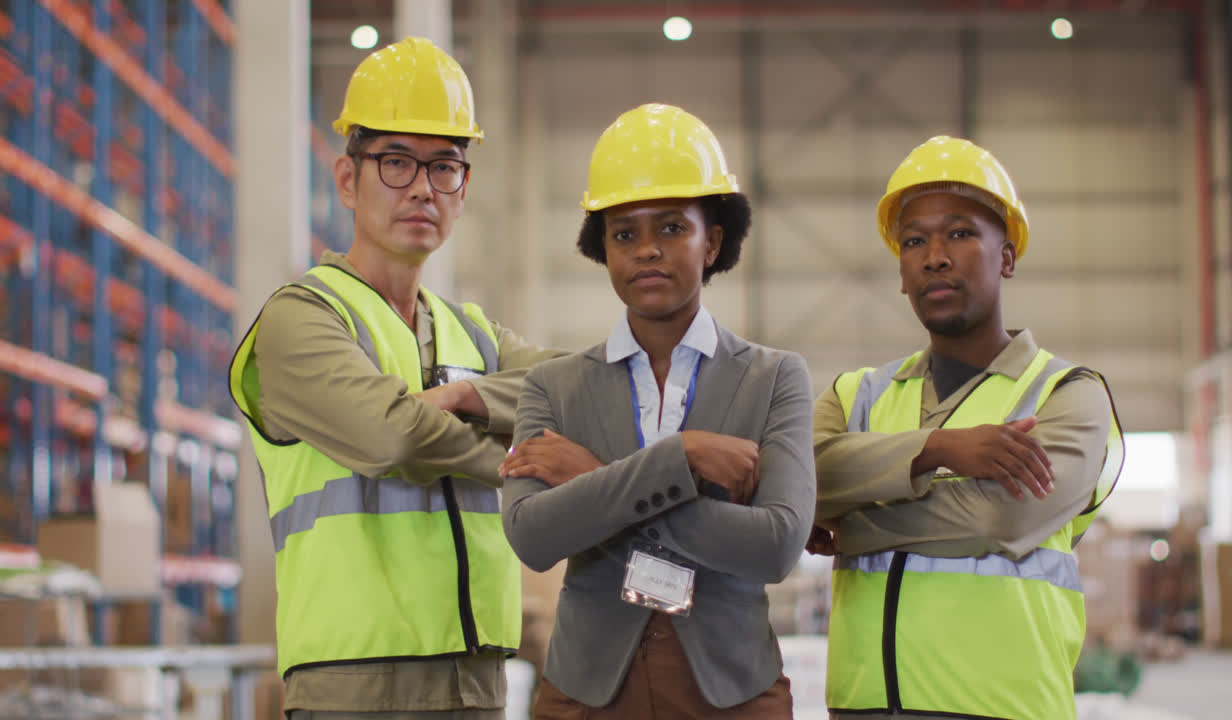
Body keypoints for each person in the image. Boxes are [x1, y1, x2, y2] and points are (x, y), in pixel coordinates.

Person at [228, 37, 563, 719]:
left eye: (443, 167)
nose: (421, 187)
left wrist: (468, 393)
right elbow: (392, 439)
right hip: (354, 678)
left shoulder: (471, 333)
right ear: (348, 179)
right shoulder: (301, 319)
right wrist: (525, 457)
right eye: (396, 162)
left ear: (463, 190)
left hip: (476, 675)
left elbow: (576, 389)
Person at [498, 103, 815, 719]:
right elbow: (533, 536)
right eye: (625, 233)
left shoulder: (776, 378)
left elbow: (776, 545)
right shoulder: (551, 387)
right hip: (587, 689)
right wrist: (683, 457)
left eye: (672, 228)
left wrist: (595, 479)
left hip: (732, 689)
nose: (647, 250)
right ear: (604, 250)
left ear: (713, 240)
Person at [810, 135, 1124, 720]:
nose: (935, 255)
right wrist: (937, 449)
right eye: (913, 241)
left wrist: (849, 523)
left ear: (1006, 256)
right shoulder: (856, 395)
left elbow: (1001, 516)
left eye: (959, 233)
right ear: (901, 272)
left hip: (1003, 706)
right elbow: (803, 483)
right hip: (863, 706)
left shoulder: (1068, 395)